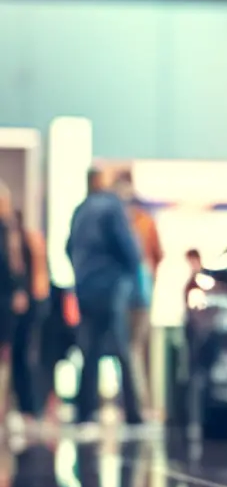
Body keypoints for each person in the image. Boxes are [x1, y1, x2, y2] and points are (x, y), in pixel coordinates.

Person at [66, 168, 144, 427]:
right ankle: (133, 413)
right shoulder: (111, 207)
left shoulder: (80, 210)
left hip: (85, 288)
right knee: (122, 350)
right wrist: (131, 277)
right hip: (111, 288)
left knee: (89, 350)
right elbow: (128, 248)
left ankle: (85, 411)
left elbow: (68, 247)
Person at [112, 172, 161, 415]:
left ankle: (138, 405)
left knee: (131, 351)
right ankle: (137, 405)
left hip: (136, 296)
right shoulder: (132, 222)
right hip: (135, 296)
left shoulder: (138, 222)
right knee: (132, 351)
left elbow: (156, 256)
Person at [8, 208, 50, 430]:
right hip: (35, 303)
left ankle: (30, 408)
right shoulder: (31, 239)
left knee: (24, 357)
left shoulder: (21, 241)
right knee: (25, 356)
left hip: (29, 304)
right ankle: (30, 408)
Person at [0, 183, 24, 423]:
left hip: (5, 302)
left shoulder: (9, 231)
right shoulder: (8, 232)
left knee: (6, 354)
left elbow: (13, 268)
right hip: (5, 301)